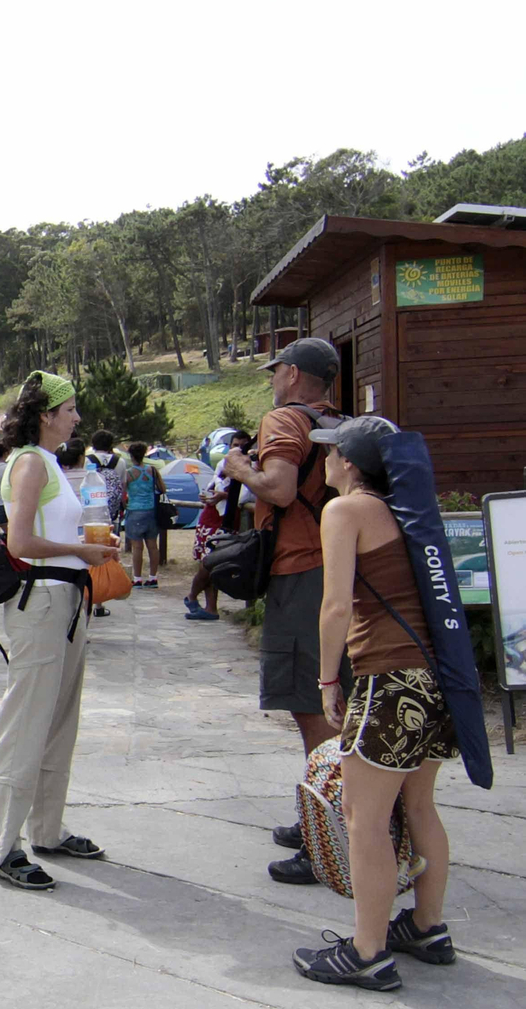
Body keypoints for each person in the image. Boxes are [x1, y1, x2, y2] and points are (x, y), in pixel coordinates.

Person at [291, 416, 458, 991]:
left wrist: (326, 679)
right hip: (432, 679)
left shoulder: (347, 511)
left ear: (351, 463)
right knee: (419, 807)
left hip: (387, 680)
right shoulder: (406, 511)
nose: (324, 462)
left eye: (330, 453)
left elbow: (335, 605)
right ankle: (427, 927)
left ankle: (367, 952)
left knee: (364, 820)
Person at [0, 371, 120, 891]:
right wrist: (82, 552)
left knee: (59, 719)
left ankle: (45, 829)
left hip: (64, 599)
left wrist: (82, 553)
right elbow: (18, 542)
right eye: (71, 409)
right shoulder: (31, 465)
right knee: (26, 722)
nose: (78, 418)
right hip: (42, 599)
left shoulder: (50, 465)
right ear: (47, 415)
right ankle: (4, 846)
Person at [223, 336, 344, 884]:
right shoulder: (339, 424)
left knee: (311, 704)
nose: (272, 379)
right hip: (339, 569)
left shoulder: (283, 422)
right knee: (332, 697)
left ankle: (331, 833)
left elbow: (280, 488)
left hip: (301, 572)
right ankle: (322, 808)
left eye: (276, 371)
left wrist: (237, 468)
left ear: (293, 374)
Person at [184, 430, 253, 621]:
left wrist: (224, 496)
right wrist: (208, 494)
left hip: (229, 520)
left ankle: (192, 596)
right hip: (211, 516)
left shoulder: (252, 466)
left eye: (242, 445)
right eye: (234, 445)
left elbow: (246, 495)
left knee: (213, 563)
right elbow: (215, 483)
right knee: (206, 562)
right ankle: (210, 607)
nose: (238, 449)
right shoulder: (223, 464)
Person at [122, 442, 164, 587]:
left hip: (135, 510)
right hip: (151, 511)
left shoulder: (129, 473)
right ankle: (153, 577)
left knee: (137, 547)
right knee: (153, 546)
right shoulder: (152, 470)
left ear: (131, 455)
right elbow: (162, 488)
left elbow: (123, 494)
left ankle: (137, 578)